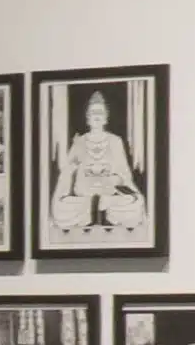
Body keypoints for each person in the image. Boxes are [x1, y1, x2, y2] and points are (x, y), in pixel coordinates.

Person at [55, 84, 153, 247]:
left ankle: (102, 212)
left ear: (107, 117)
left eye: (100, 113)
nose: (97, 117)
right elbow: (66, 172)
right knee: (61, 207)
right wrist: (74, 171)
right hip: (83, 197)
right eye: (93, 113)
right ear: (87, 117)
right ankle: (93, 212)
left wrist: (116, 179)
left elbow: (125, 174)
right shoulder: (79, 142)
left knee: (134, 203)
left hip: (110, 197)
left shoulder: (115, 141)